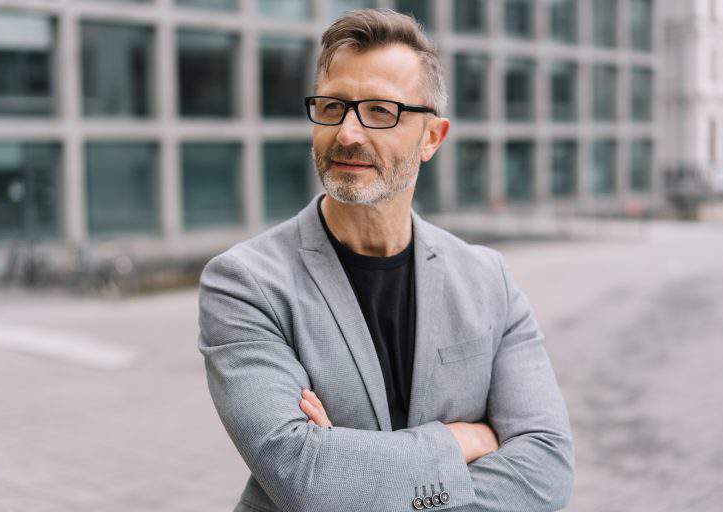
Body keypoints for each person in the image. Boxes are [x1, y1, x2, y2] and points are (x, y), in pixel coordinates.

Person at [198, 8, 574, 512]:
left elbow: (546, 472)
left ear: (432, 138)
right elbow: (304, 479)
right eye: (332, 107)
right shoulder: (244, 283)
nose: (347, 133)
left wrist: (352, 470)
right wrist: (461, 442)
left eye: (380, 111)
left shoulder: (489, 281)